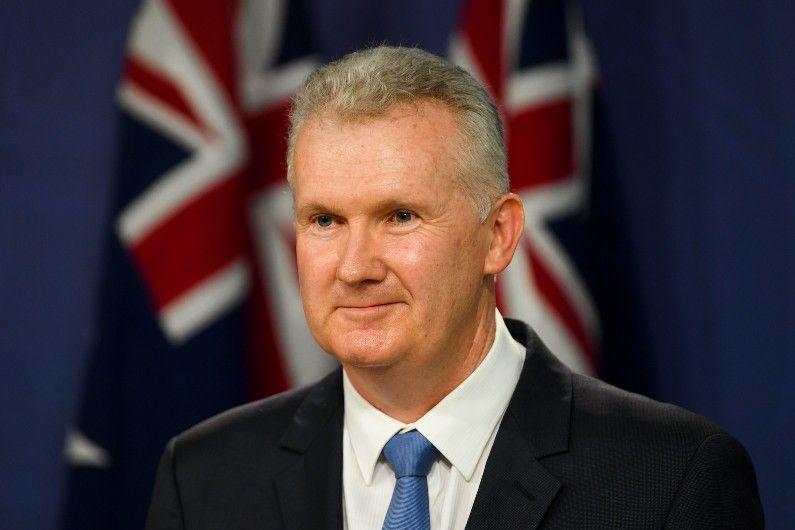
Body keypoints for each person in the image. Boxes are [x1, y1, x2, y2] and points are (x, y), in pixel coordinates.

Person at [145, 46, 763, 529]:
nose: (355, 267)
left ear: (497, 236)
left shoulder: (671, 479)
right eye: (325, 221)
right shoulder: (202, 480)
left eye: (400, 217)